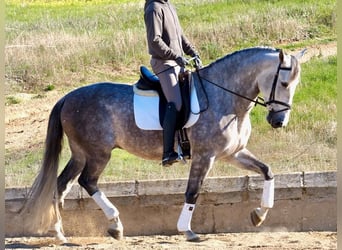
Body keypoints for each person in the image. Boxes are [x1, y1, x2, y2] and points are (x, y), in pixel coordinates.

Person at [144, 0, 201, 166]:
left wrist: (193, 52)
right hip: (164, 63)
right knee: (175, 102)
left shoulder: (168, 6)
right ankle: (168, 153)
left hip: (176, 62)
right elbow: (155, 40)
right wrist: (174, 56)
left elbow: (179, 36)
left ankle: (186, 143)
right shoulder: (154, 8)